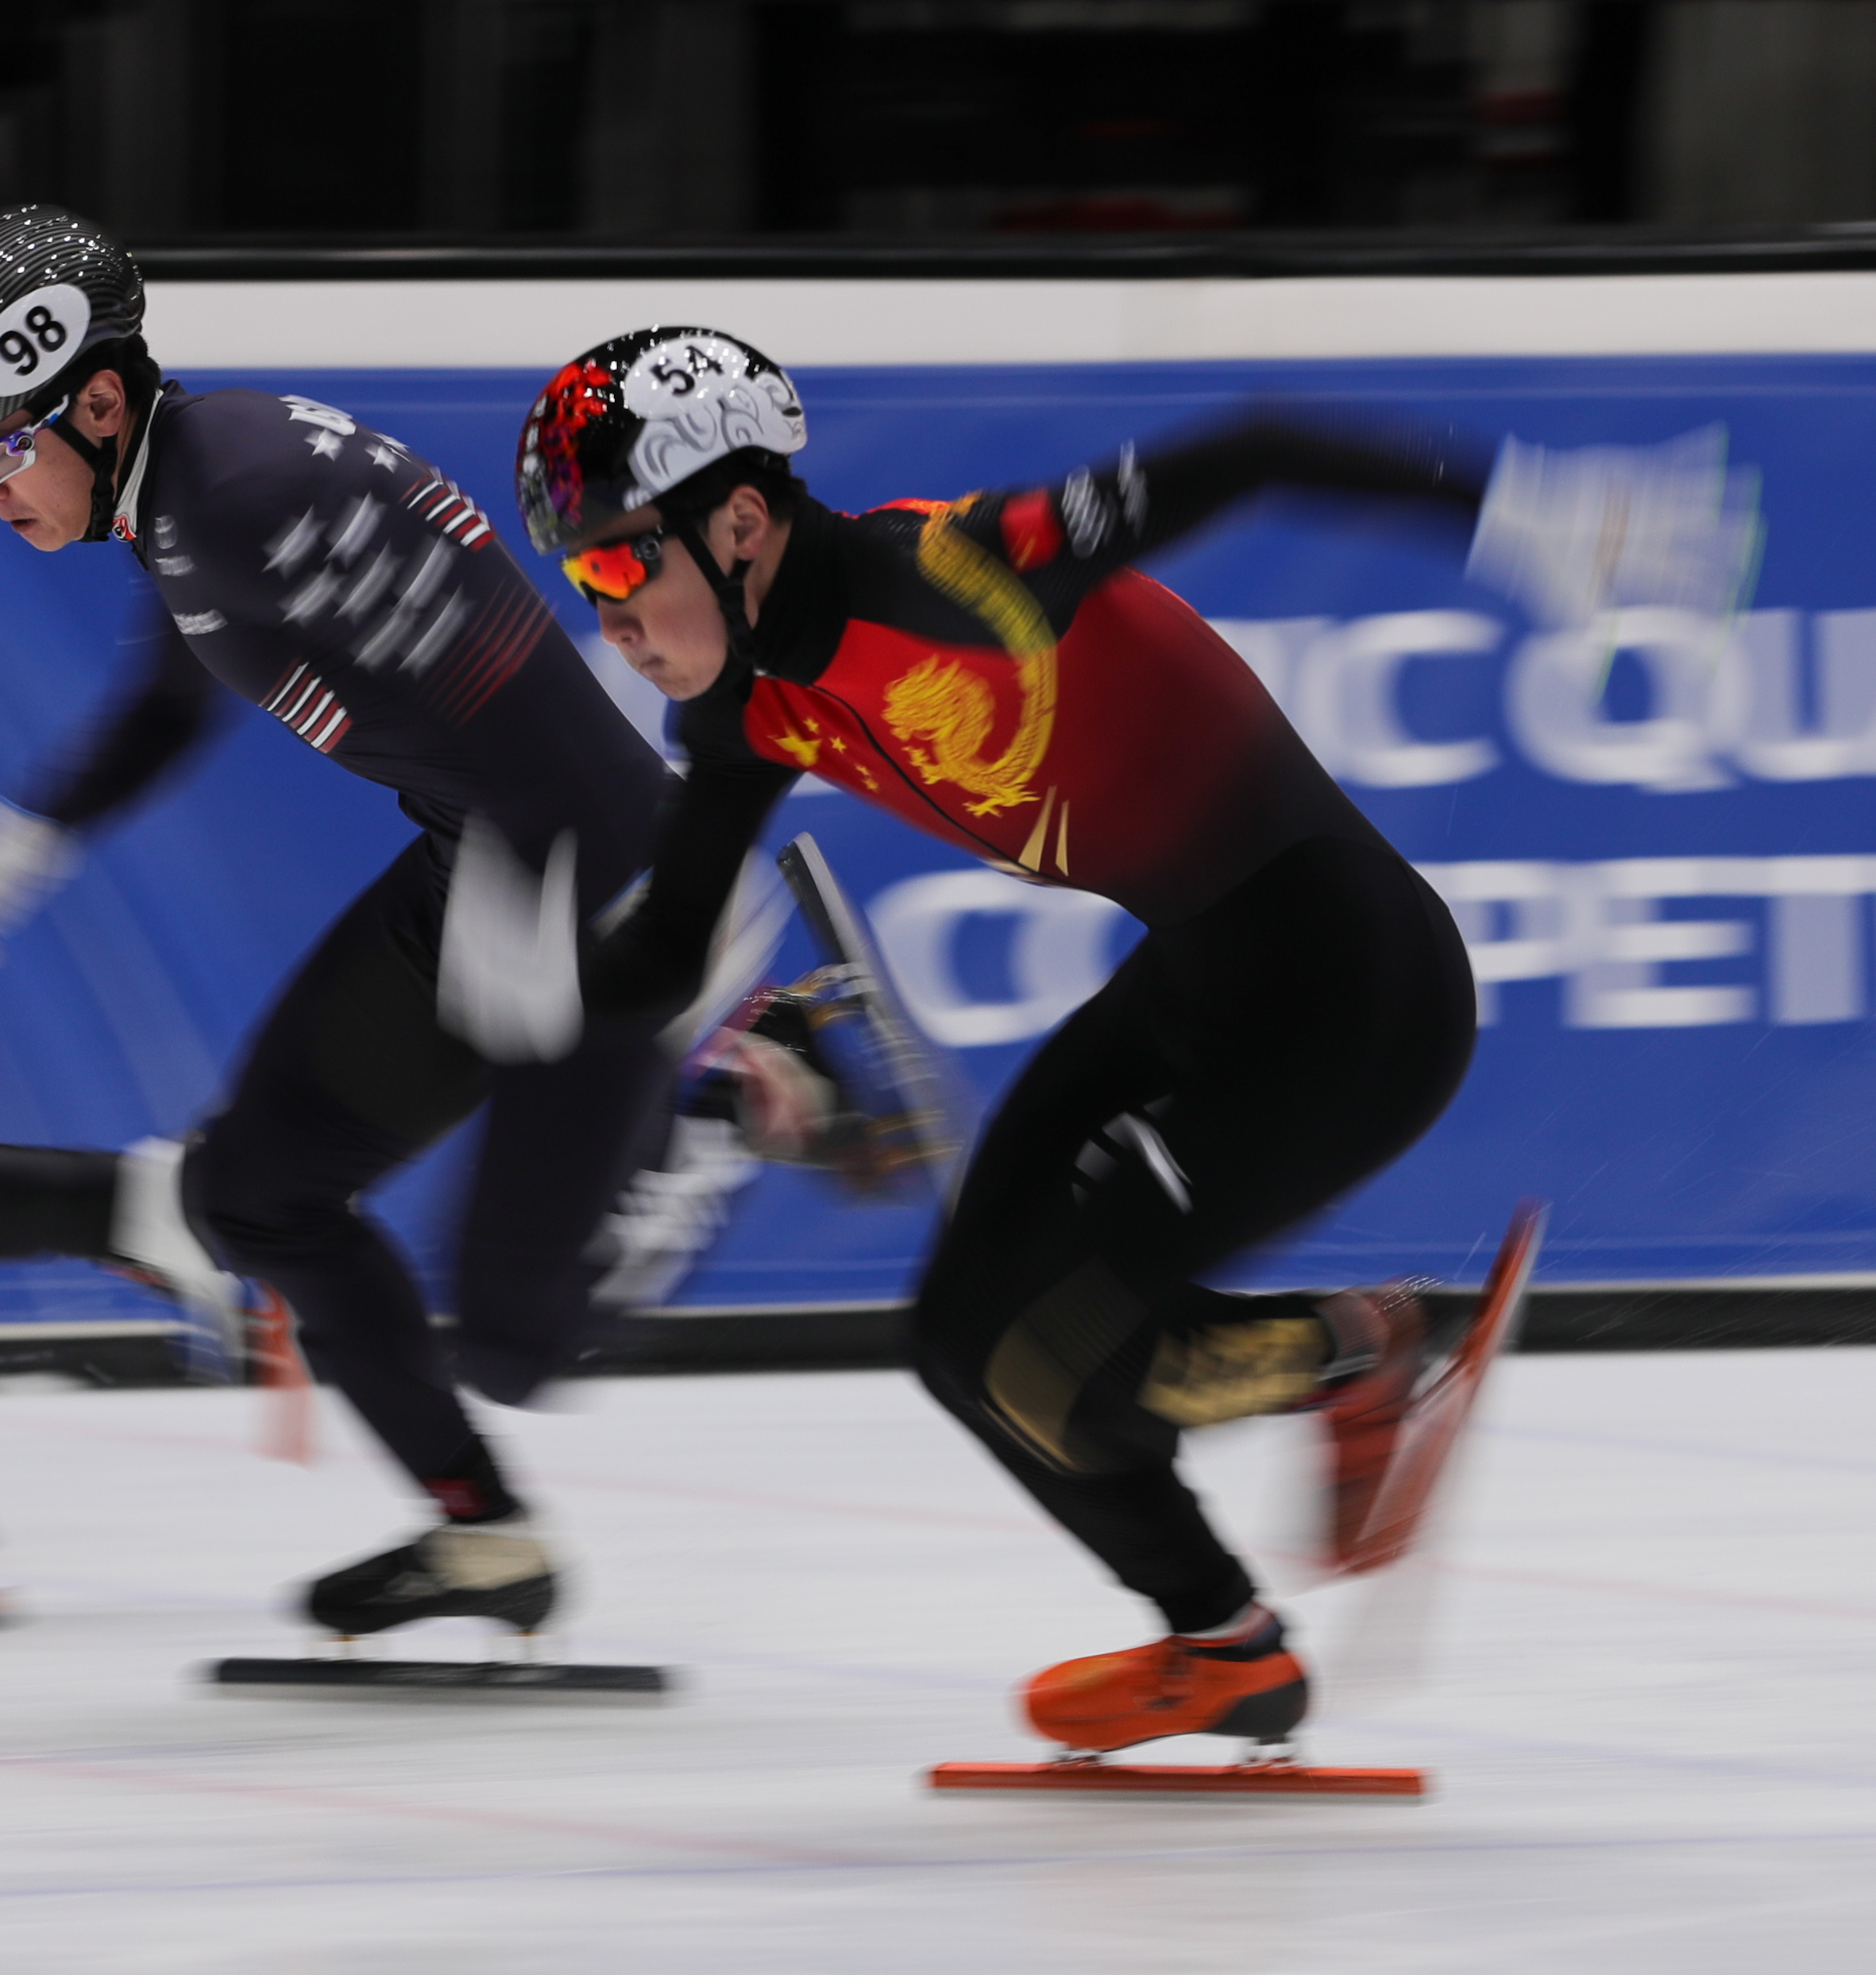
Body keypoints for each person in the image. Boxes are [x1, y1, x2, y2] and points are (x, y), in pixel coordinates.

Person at [504, 325, 1751, 1754]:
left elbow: (1259, 445)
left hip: (1356, 996)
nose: (603, 609)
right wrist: (521, 994)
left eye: (613, 560)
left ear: (738, 520)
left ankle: (1370, 1347)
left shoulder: (951, 571)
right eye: (576, 571)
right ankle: (1227, 1646)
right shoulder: (742, 704)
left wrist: (1542, 516)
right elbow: (668, 942)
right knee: (959, 1339)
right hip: (1204, 981)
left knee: (1061, 1360)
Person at [0, 205, 724, 1641]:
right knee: (257, 1197)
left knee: (520, 1328)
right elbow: (172, 692)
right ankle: (485, 1535)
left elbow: (499, 678)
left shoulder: (242, 490)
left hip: (570, 860)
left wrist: (599, 925)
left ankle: (733, 1085)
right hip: (494, 850)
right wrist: (34, 836)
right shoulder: (193, 488)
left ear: (91, 398)